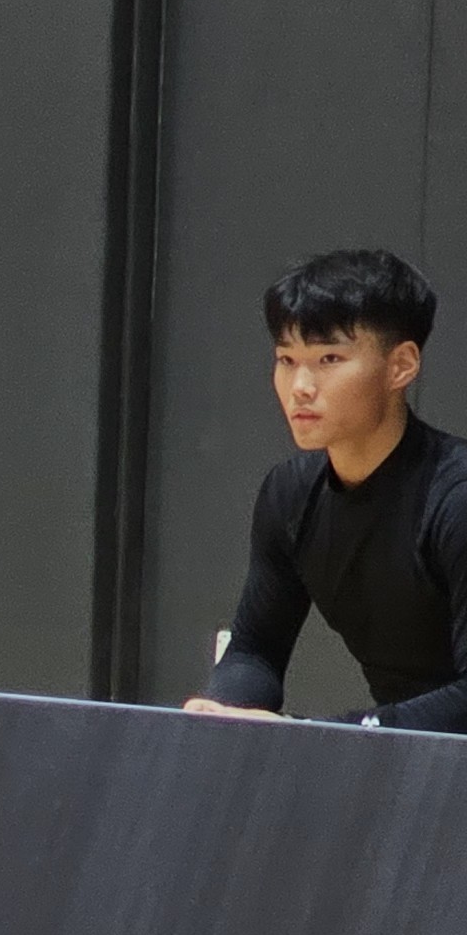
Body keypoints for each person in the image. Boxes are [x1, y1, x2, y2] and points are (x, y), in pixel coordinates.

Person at [187, 249, 467, 733]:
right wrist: (224, 711)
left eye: (329, 359)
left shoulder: (455, 498)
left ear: (401, 365)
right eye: (286, 359)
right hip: (411, 758)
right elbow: (255, 650)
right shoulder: (291, 495)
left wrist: (318, 732)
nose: (300, 386)